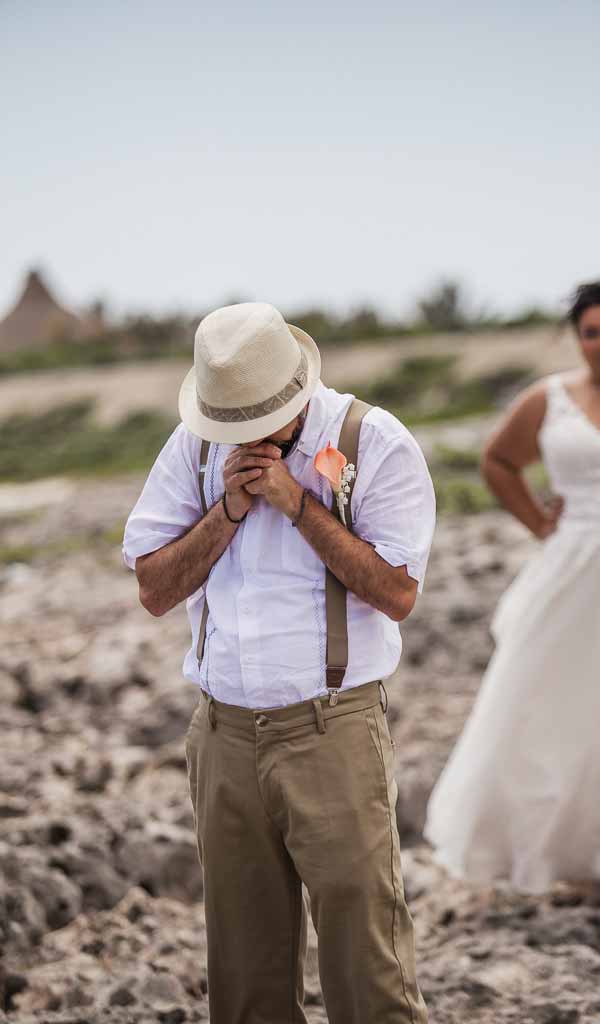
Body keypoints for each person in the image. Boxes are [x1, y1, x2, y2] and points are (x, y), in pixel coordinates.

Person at [123, 302, 435, 1022]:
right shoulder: (195, 447)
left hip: (333, 730)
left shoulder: (370, 439)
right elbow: (153, 588)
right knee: (244, 972)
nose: (243, 438)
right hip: (221, 734)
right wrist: (227, 511)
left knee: (368, 964)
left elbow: (396, 591)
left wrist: (298, 505)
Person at [425, 279, 600, 910]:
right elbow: (497, 461)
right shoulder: (550, 398)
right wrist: (538, 521)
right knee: (593, 712)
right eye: (592, 332)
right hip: (581, 571)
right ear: (578, 338)